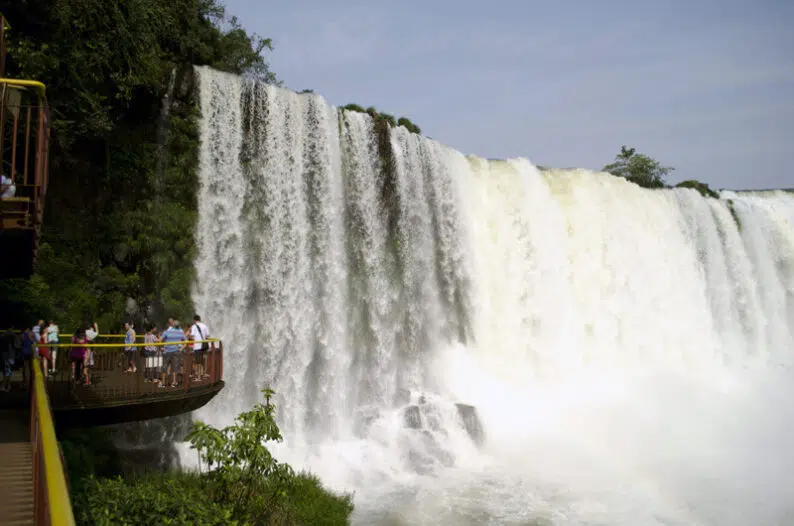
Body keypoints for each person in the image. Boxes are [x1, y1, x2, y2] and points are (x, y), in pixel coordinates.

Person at [159, 318, 185, 388]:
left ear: (173, 325)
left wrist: (161, 347)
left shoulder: (167, 332)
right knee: (174, 367)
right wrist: (181, 348)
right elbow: (186, 341)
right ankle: (174, 382)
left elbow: (160, 340)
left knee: (164, 367)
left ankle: (163, 383)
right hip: (176, 351)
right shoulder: (181, 332)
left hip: (167, 351)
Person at [189, 314, 211, 380]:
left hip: (197, 346)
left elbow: (192, 336)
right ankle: (204, 374)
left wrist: (189, 336)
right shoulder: (204, 325)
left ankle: (198, 377)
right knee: (204, 360)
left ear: (194, 320)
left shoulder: (194, 326)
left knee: (198, 362)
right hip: (204, 346)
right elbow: (207, 336)